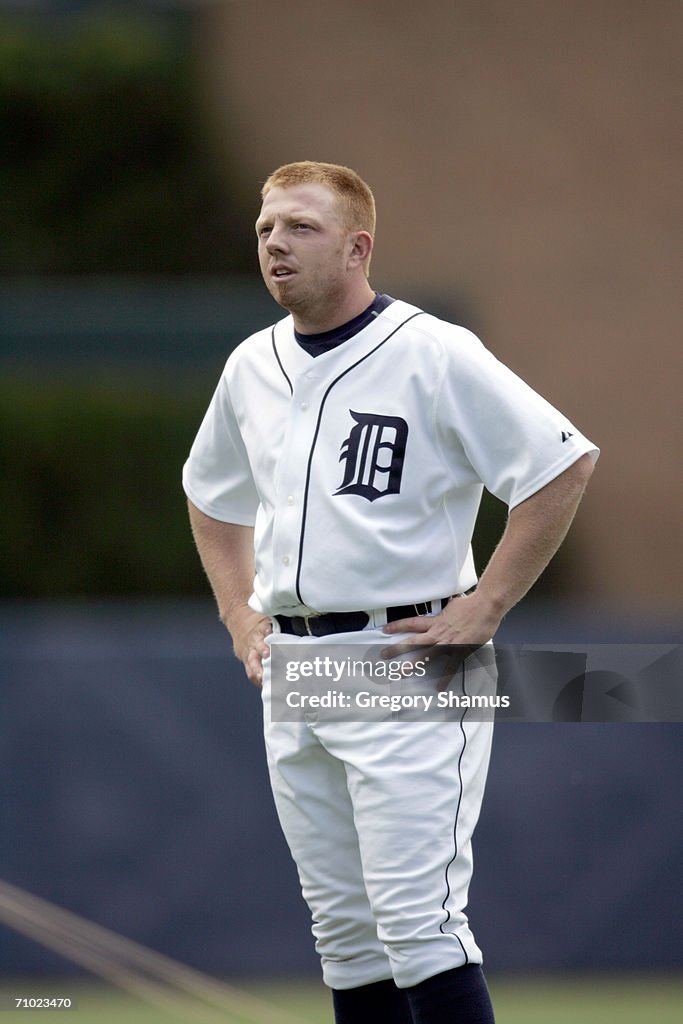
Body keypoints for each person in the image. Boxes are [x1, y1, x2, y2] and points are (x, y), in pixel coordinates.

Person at [183, 161, 598, 1023]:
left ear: (356, 245)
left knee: (419, 930)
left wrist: (485, 604)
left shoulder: (431, 350)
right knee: (344, 936)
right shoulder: (251, 364)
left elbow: (560, 463)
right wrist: (235, 610)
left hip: (407, 660)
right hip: (296, 663)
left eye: (299, 227)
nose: (274, 244)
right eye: (265, 229)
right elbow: (209, 492)